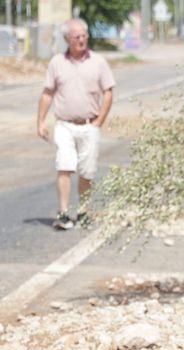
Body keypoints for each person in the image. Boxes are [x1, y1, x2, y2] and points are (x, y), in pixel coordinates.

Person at [36, 18, 115, 230]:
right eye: (76, 36)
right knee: (64, 165)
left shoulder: (98, 62)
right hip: (64, 125)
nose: (81, 40)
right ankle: (63, 213)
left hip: (90, 125)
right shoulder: (57, 63)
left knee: (87, 172)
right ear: (66, 39)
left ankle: (84, 211)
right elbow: (47, 93)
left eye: (83, 36)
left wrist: (99, 121)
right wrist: (41, 121)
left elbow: (108, 92)